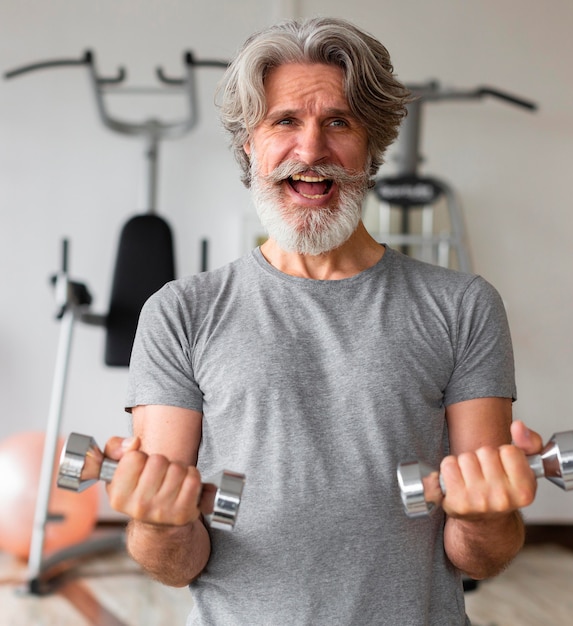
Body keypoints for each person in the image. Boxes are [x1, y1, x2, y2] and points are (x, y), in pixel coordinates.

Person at [103, 17, 543, 625]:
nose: (310, 151)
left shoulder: (463, 306)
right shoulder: (180, 313)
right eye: (285, 121)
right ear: (249, 145)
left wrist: (484, 513)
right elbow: (175, 564)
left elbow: (481, 557)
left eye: (338, 122)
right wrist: (157, 518)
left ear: (372, 145)